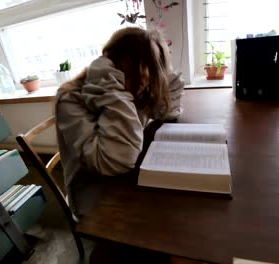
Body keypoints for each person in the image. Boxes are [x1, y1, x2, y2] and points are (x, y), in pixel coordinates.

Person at [55, 27, 184, 216]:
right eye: (139, 72)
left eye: (151, 72)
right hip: (93, 189)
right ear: (110, 62)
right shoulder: (70, 97)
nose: (144, 83)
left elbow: (167, 112)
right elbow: (115, 160)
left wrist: (163, 73)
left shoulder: (140, 84)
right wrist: (112, 90)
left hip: (128, 174)